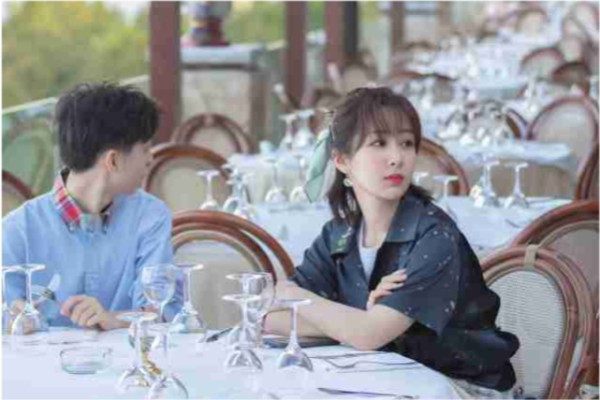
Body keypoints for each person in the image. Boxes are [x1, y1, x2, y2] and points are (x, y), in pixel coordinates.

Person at [265, 87, 519, 398]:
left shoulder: (435, 236)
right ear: (342, 160)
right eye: (379, 143)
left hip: (460, 388)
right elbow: (270, 318)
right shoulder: (338, 235)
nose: (397, 158)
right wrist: (357, 319)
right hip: (385, 379)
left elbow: (368, 335)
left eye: (407, 143)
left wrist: (296, 295)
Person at [3, 82, 181, 330]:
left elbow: (165, 310)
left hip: (128, 354)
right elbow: (7, 316)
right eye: (145, 149)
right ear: (113, 161)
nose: (151, 158)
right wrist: (14, 319)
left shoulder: (151, 216)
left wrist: (111, 318)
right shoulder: (17, 229)